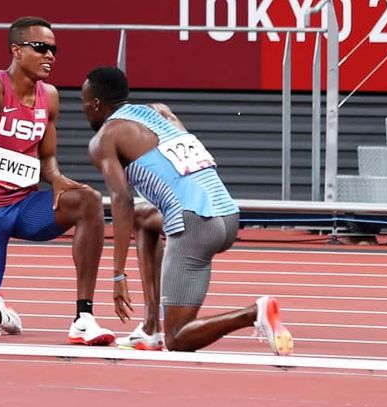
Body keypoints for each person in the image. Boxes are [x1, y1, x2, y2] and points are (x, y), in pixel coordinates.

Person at [82, 66, 293, 354]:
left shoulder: (105, 138)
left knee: (178, 339)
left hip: (195, 224)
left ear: (94, 103)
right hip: (228, 215)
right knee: (145, 218)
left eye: (84, 104)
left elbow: (122, 202)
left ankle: (254, 312)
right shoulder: (160, 112)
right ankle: (150, 326)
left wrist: (118, 275)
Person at [0, 16, 114, 345]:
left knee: (89, 201)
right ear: (17, 51)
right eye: (41, 48)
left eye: (54, 49)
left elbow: (46, 158)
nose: (49, 55)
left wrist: (57, 178)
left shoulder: (49, 96)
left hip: (25, 206)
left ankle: (84, 317)